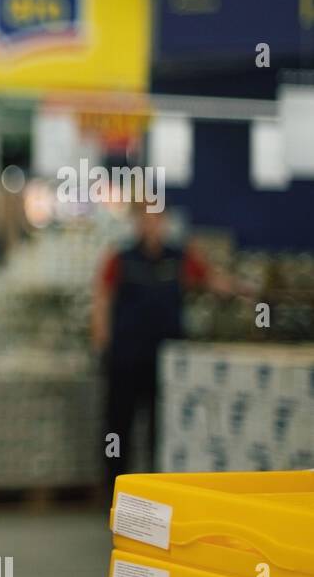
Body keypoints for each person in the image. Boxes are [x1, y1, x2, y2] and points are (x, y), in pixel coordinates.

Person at [91, 202, 227, 486]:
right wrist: (102, 338)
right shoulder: (121, 257)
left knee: (161, 425)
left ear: (165, 222)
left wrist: (249, 291)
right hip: (126, 357)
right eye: (145, 219)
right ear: (137, 222)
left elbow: (213, 281)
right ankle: (114, 485)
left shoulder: (181, 257)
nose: (151, 225)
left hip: (165, 361)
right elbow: (102, 297)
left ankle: (157, 487)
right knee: (118, 426)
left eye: (156, 219)